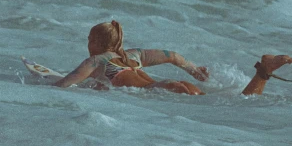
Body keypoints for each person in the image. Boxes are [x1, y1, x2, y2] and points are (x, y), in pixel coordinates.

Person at [52, 20, 209, 95]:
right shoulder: (134, 55)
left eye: (89, 40)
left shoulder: (96, 61)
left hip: (156, 90)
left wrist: (45, 87)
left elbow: (66, 82)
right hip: (166, 85)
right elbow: (172, 56)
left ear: (95, 42)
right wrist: (195, 71)